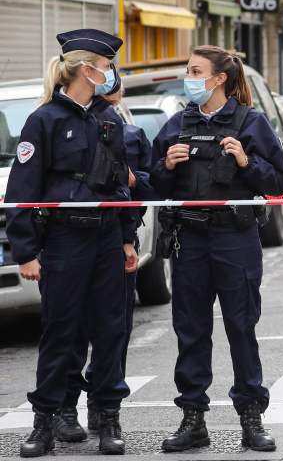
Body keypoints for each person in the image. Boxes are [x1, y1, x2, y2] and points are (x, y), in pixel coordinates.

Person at [149, 46, 283, 453]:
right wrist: (168, 166)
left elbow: (280, 182)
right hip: (189, 240)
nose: (188, 77)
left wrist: (247, 162)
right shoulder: (178, 124)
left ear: (219, 79)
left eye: (196, 71)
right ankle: (193, 419)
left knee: (241, 327)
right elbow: (151, 184)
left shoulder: (251, 122)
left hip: (235, 239)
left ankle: (251, 419)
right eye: (188, 70)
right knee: (191, 331)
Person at [6, 29, 136, 457]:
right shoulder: (44, 120)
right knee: (61, 332)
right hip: (63, 239)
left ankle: (108, 416)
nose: (110, 73)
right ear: (88, 69)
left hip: (105, 238)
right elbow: (21, 191)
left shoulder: (107, 119)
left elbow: (120, 187)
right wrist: (24, 251)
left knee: (110, 328)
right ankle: (46, 421)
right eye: (106, 65)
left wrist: (127, 239)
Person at [55, 80, 152, 444]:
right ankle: (65, 407)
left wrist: (128, 237)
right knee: (71, 329)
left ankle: (104, 408)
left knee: (114, 332)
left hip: (115, 239)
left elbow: (140, 189)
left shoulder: (130, 133)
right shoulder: (56, 124)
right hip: (70, 241)